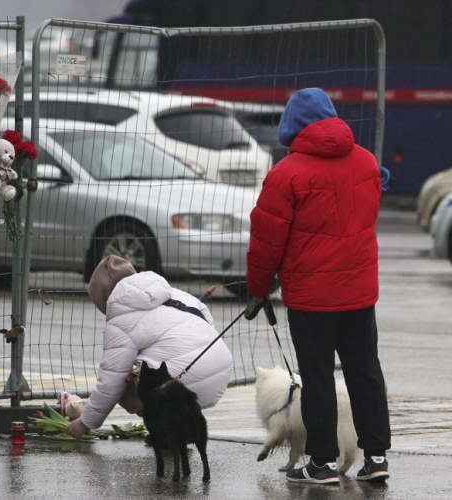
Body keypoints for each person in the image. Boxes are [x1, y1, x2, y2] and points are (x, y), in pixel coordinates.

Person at [244, 88, 391, 484]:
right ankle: (376, 457)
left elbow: (266, 240)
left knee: (319, 376)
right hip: (360, 292)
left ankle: (322, 462)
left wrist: (258, 288)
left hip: (312, 300)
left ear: (292, 126)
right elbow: (370, 212)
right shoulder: (366, 161)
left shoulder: (287, 173)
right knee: (365, 372)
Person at [66, 255, 233, 439]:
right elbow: (207, 325)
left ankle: (165, 431)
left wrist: (85, 422)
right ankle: (183, 426)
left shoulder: (120, 321)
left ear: (103, 297)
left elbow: (111, 381)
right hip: (220, 367)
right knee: (146, 365)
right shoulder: (174, 293)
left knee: (127, 380)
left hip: (181, 382)